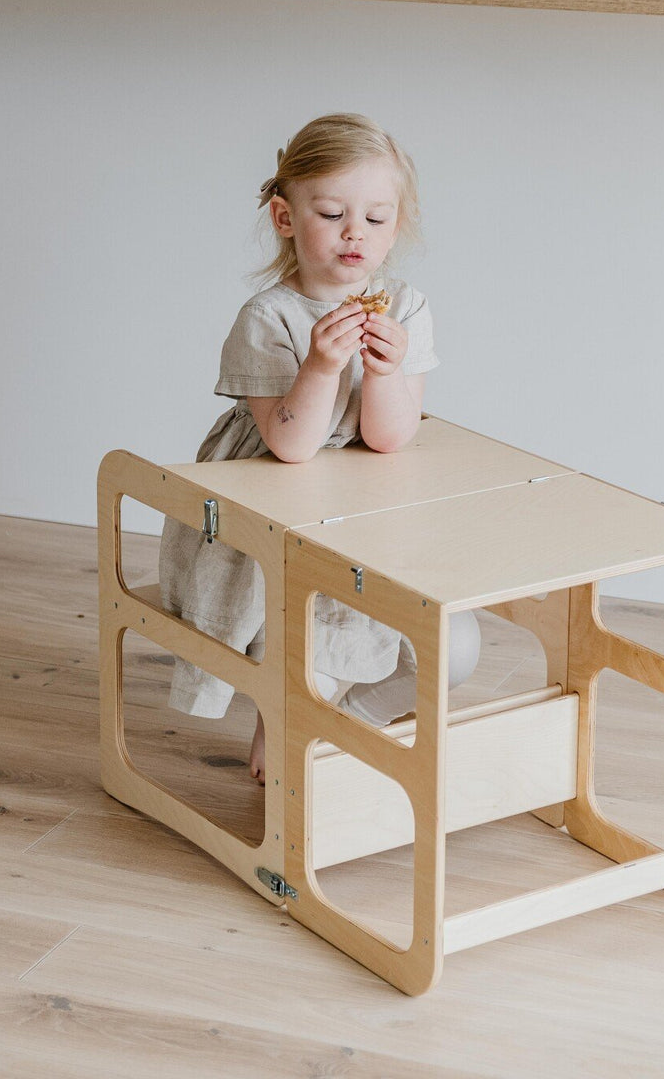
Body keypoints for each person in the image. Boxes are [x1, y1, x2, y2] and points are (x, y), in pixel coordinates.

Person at [159, 112, 481, 785]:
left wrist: (387, 371)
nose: (354, 233)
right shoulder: (268, 317)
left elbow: (389, 437)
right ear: (286, 218)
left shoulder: (408, 307)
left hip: (369, 500)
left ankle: (346, 720)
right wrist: (321, 367)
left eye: (376, 217)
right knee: (304, 640)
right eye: (333, 213)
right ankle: (285, 721)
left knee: (452, 651)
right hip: (281, 496)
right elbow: (289, 446)